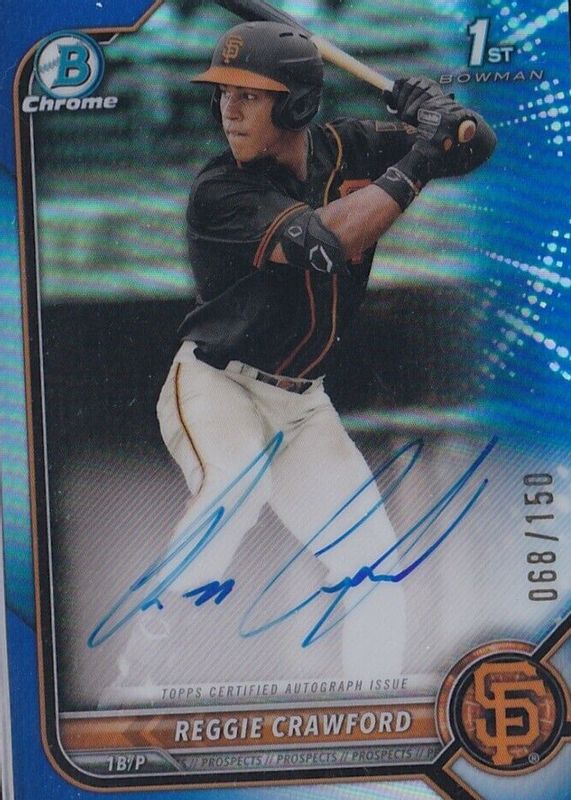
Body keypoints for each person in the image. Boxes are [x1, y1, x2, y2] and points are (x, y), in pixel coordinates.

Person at [150, 20, 496, 682]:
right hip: (218, 385)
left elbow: (473, 146)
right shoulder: (219, 190)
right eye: (224, 93)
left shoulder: (352, 146)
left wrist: (441, 114)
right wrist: (421, 156)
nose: (228, 109)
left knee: (373, 567)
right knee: (236, 486)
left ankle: (371, 701)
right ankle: (147, 651)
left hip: (302, 404)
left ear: (298, 105)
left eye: (249, 95)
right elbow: (325, 243)